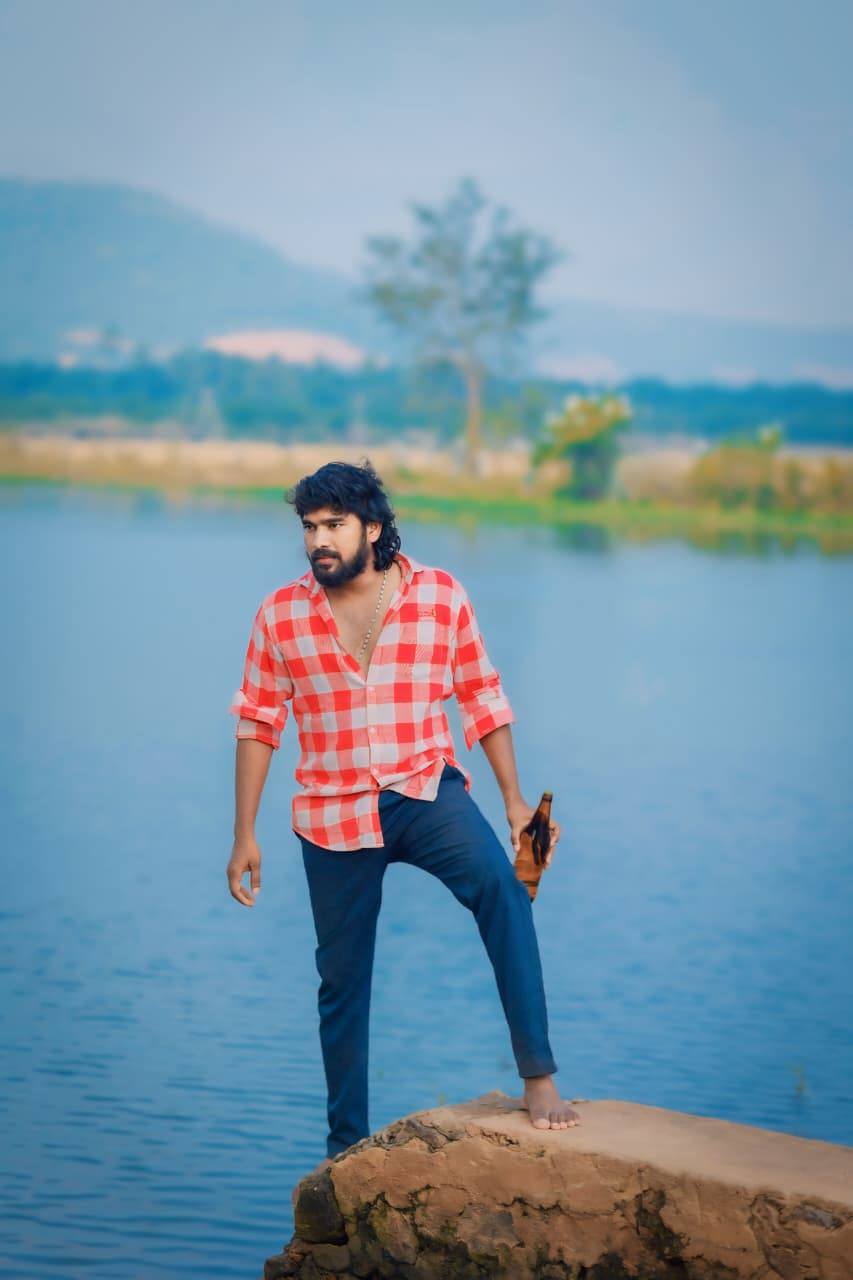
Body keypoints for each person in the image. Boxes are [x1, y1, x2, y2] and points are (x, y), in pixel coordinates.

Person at [226, 460, 579, 1165]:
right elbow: (259, 721)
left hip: (424, 790)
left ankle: (538, 1077)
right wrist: (244, 834)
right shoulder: (279, 614)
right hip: (332, 811)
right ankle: (345, 1149)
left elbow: (481, 696)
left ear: (372, 528)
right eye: (309, 528)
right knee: (342, 982)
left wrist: (512, 800)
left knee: (502, 890)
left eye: (333, 526)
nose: (318, 541)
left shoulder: (439, 595)